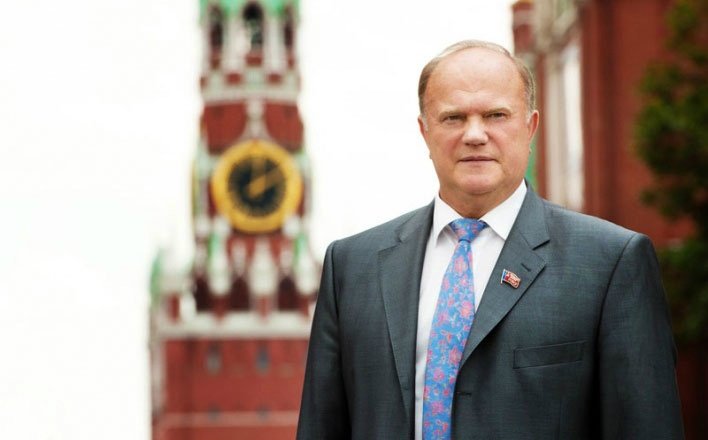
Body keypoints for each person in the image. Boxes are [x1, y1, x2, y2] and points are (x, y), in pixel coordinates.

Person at [297, 40, 684, 440]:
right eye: (453, 118)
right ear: (425, 132)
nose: (474, 134)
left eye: (496, 115)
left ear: (530, 127)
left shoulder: (609, 264)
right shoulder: (352, 267)